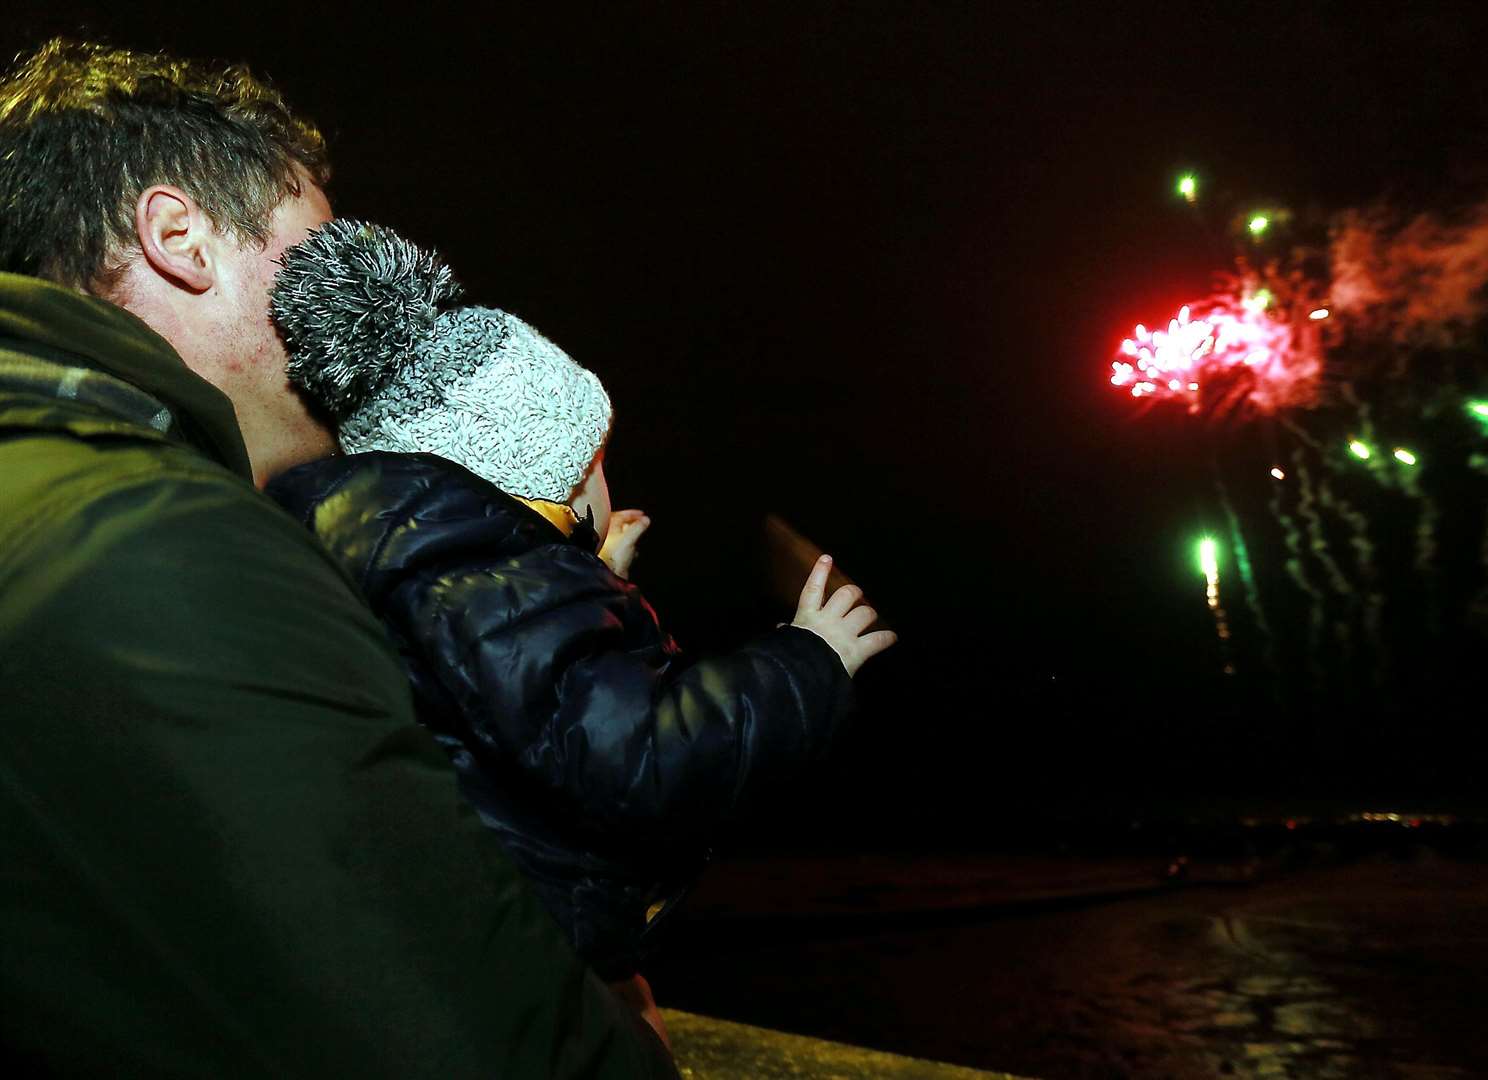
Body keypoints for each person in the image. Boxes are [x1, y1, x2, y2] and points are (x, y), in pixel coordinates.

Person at [0, 40, 677, 1076]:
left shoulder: (44, 482)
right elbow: (465, 1037)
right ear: (180, 236)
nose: (356, 314)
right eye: (315, 253)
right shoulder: (170, 547)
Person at [263, 219, 898, 991]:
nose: (605, 481)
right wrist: (808, 658)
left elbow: (507, 673)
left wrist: (586, 573)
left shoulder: (409, 550)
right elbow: (638, 750)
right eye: (594, 458)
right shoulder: (488, 573)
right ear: (545, 470)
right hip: (525, 956)